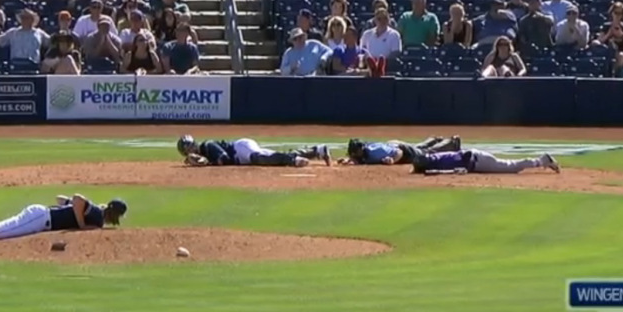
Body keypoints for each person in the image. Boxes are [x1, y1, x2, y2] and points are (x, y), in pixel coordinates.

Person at [0, 195, 128, 250]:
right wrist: (82, 225)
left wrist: (72, 213)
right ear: (114, 213)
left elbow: (61, 199)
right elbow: (77, 198)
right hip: (40, 218)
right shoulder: (96, 214)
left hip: (40, 215)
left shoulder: (96, 213)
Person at [176, 134, 329, 167]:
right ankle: (317, 150)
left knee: (258, 158)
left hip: (240, 148)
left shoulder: (207, 145)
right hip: (241, 156)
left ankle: (293, 161)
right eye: (186, 151)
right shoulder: (203, 153)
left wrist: (205, 163)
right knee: (270, 155)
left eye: (189, 147)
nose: (190, 151)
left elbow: (224, 159)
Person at [411, 150, 560, 175]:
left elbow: (460, 165)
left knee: (511, 167)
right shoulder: (437, 158)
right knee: (510, 166)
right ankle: (541, 161)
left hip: (480, 160)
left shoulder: (438, 161)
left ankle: (542, 160)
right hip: (478, 158)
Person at [339, 136, 462, 165]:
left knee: (427, 153)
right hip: (392, 144)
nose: (353, 154)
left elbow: (399, 152)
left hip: (400, 149)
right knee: (418, 148)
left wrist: (392, 159)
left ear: (360, 149)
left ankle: (452, 141)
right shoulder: (364, 151)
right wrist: (348, 160)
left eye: (354, 152)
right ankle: (433, 139)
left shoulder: (375, 152)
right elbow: (360, 159)